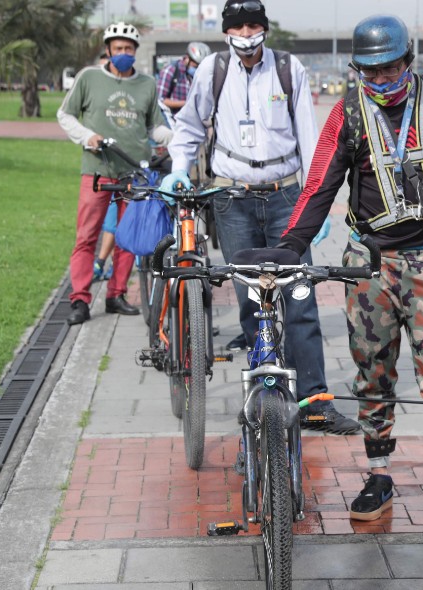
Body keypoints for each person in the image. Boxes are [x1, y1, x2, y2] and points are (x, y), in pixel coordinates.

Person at [276, 14, 423, 537]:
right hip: (369, 262)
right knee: (372, 372)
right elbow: (319, 185)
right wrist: (290, 246)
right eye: (368, 73)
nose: (380, 82)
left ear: (409, 60)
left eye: (390, 70)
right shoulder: (349, 111)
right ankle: (378, 475)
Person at [161, 0, 359, 435]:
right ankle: (261, 393)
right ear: (227, 32)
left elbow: (311, 138)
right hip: (232, 199)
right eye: (239, 26)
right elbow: (190, 126)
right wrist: (179, 166)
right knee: (252, 297)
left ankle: (314, 401)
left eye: (254, 25)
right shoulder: (212, 70)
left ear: (264, 29)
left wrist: (315, 202)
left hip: (287, 196)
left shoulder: (289, 69)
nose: (247, 34)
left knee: (300, 298)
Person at [57, 22, 173, 325]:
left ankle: (115, 294)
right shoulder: (90, 77)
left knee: (127, 238)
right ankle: (80, 299)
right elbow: (65, 114)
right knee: (86, 237)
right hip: (98, 171)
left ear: (135, 51)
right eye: (118, 48)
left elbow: (153, 127)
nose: (124, 53)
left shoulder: (147, 84)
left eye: (129, 49)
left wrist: (177, 138)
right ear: (108, 50)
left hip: (135, 174)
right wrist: (86, 136)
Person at [157, 41, 211, 115]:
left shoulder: (200, 76)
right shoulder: (170, 71)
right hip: (173, 120)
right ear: (187, 58)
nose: (198, 69)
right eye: (195, 66)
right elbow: (160, 100)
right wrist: (187, 103)